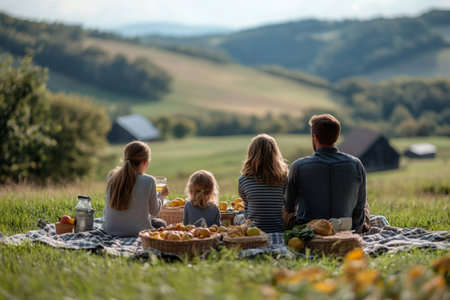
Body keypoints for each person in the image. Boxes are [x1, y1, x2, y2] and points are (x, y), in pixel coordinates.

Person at [284, 114, 367, 232]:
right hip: (346, 229)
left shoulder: (298, 166)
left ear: (314, 137)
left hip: (309, 230)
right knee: (364, 201)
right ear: (337, 137)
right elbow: (359, 210)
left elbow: (289, 207)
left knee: (284, 210)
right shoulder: (356, 164)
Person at [102, 141, 169, 237]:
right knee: (161, 224)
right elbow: (154, 212)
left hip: (109, 230)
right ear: (146, 162)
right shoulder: (149, 181)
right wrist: (161, 196)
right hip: (138, 232)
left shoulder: (112, 176)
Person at [237, 134, 288, 233]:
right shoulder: (284, 178)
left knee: (237, 218)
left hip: (254, 231)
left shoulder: (243, 180)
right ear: (275, 154)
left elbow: (247, 208)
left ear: (251, 154)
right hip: (278, 229)